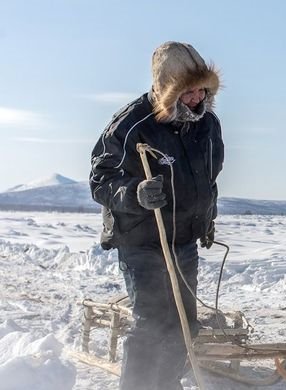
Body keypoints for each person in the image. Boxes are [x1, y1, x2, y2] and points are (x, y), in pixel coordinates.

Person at [89, 41, 224, 390]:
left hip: (183, 239)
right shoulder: (132, 125)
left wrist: (206, 216)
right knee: (153, 323)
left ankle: (163, 384)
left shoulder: (207, 125)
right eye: (189, 92)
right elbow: (100, 179)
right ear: (169, 88)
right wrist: (135, 193)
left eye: (202, 91)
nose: (198, 100)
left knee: (184, 323)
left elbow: (209, 177)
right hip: (141, 239)